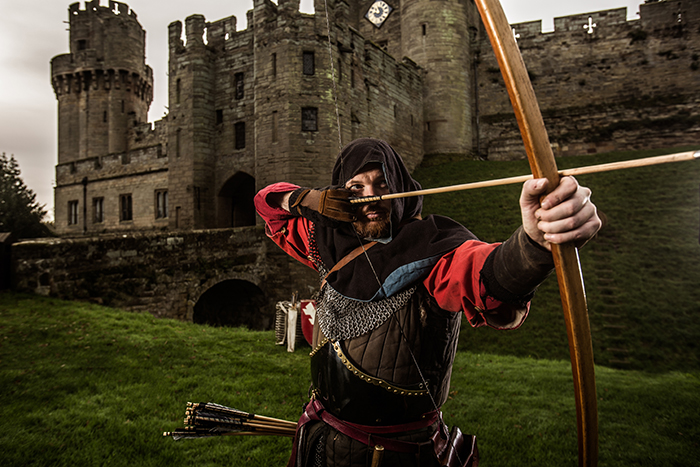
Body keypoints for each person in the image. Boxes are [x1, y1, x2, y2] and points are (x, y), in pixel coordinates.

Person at [254, 138, 601, 467]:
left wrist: (535, 244)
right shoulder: (329, 241)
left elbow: (486, 275)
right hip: (322, 438)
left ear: (402, 187)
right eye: (355, 189)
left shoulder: (432, 247)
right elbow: (267, 204)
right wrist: (303, 200)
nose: (369, 199)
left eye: (382, 185)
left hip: (396, 453)